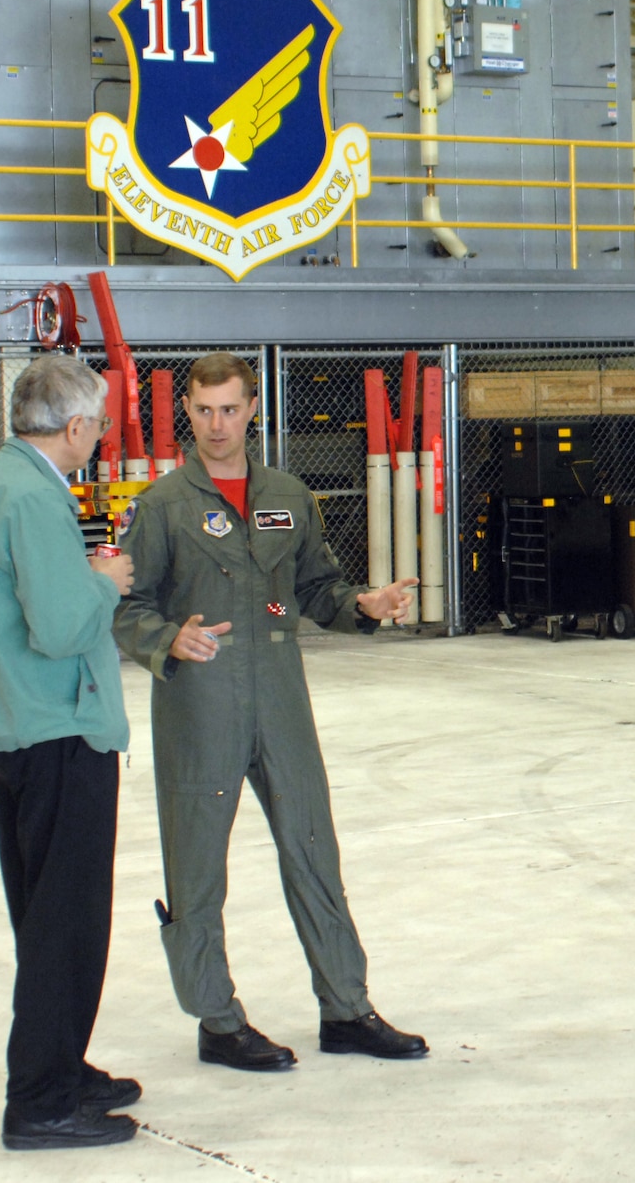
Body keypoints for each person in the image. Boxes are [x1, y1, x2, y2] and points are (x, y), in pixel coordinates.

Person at [113, 352, 425, 1071]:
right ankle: (216, 1021)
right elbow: (127, 605)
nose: (217, 425)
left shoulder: (288, 494)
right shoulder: (163, 506)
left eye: (230, 409)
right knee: (196, 867)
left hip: (281, 697)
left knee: (313, 848)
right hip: (200, 706)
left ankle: (346, 1008)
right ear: (186, 413)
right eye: (203, 411)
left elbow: (317, 588)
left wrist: (363, 606)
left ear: (253, 408)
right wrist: (168, 639)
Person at [0, 355, 142, 1150]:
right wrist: (106, 579)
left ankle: (62, 1063)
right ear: (77, 426)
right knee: (68, 919)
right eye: (97, 423)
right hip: (55, 727)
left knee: (40, 909)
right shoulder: (34, 496)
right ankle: (41, 1099)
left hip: (3, 723)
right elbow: (60, 627)